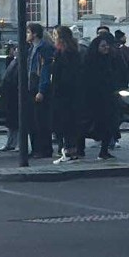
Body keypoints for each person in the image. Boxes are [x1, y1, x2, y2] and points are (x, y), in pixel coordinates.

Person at [83, 34, 126, 160]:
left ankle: (104, 150)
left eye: (107, 45)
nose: (106, 47)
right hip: (94, 98)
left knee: (110, 124)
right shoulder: (90, 62)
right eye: (103, 46)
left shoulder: (111, 59)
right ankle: (81, 150)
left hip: (109, 97)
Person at [51, 26, 84, 161]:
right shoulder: (74, 51)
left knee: (64, 123)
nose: (53, 37)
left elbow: (61, 74)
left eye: (55, 35)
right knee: (70, 123)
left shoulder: (62, 53)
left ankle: (67, 150)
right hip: (72, 93)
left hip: (63, 93)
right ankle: (71, 150)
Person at [25, 23, 55, 159]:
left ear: (35, 34)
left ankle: (44, 149)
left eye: (28, 32)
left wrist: (41, 90)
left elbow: (45, 70)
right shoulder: (31, 48)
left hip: (38, 87)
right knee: (32, 120)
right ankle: (36, 148)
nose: (26, 35)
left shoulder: (44, 48)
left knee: (41, 121)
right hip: (31, 87)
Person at [0, 44, 20, 152]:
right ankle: (10, 142)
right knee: (10, 121)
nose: (15, 51)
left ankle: (17, 143)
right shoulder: (12, 61)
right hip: (10, 94)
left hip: (15, 94)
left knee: (17, 121)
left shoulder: (20, 63)